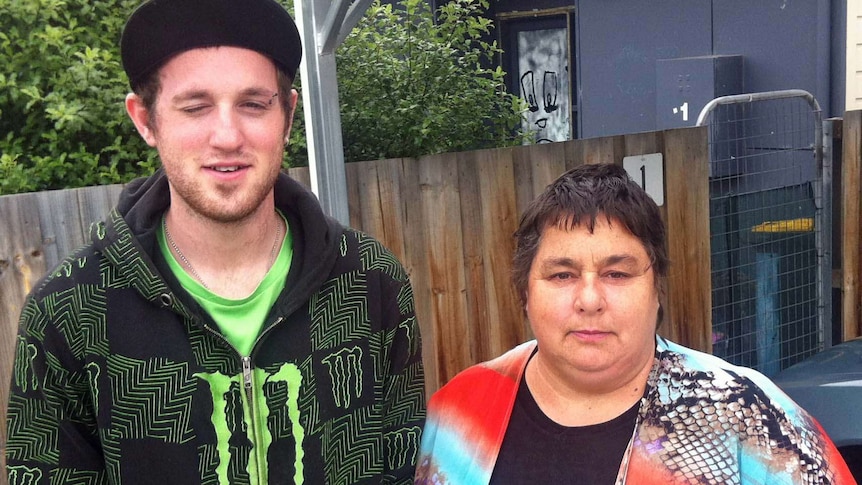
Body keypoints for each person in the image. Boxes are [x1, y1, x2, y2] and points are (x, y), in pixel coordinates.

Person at [5, 0, 425, 483]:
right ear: (145, 119)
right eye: (195, 107)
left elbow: (401, 469)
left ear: (287, 117)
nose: (227, 136)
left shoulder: (372, 285)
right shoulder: (68, 313)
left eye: (253, 104)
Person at [414, 163, 855, 485]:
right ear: (525, 292)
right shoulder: (459, 411)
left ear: (657, 289)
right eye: (562, 274)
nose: (589, 300)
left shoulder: (746, 413)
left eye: (617, 273)